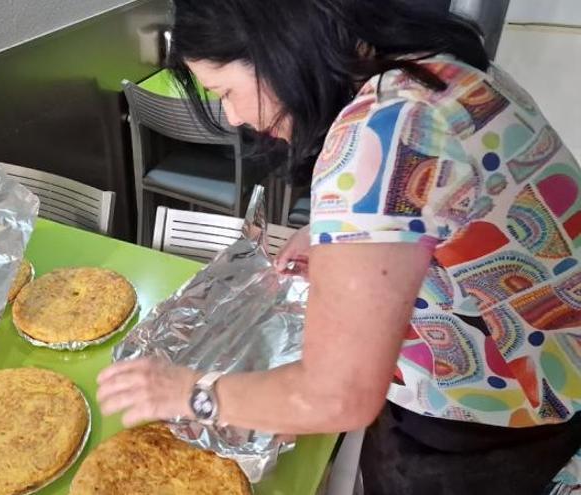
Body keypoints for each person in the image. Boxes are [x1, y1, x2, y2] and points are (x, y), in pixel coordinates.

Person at [96, 1, 581, 493]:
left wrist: (193, 393)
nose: (233, 115)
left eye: (226, 91)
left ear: (279, 49)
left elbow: (337, 395)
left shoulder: (380, 136)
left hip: (488, 423)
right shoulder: (427, 66)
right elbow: (439, 207)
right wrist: (338, 233)